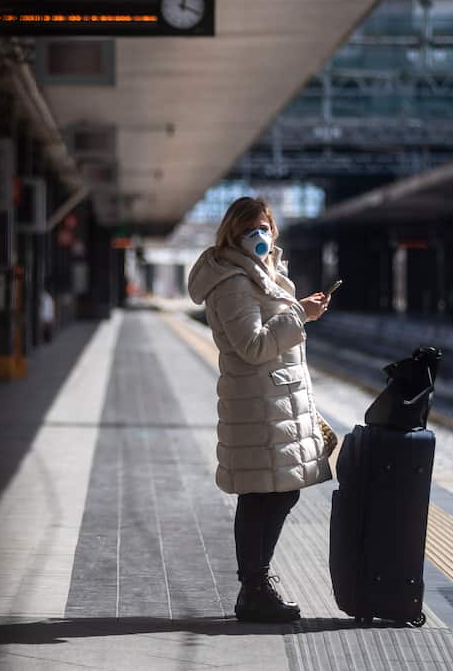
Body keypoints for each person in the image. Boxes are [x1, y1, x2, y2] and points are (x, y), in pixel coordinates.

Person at [186, 196, 333, 623]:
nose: (260, 235)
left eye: (265, 226)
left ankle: (257, 585)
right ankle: (254, 588)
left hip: (274, 402)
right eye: (251, 228)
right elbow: (252, 346)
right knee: (262, 496)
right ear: (234, 232)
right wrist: (299, 316)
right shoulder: (233, 280)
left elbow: (272, 328)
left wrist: (300, 311)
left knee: (278, 492)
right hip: (258, 402)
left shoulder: (260, 273)